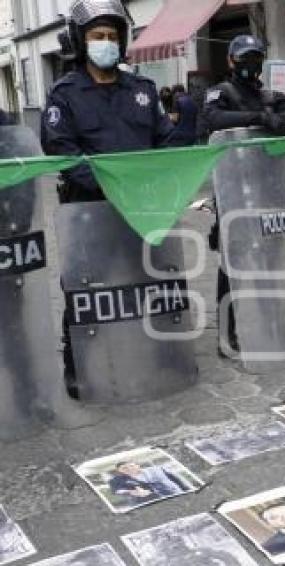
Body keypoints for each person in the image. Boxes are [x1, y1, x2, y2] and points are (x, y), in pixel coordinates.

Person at [41, 0, 175, 394]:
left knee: (146, 278)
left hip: (142, 207)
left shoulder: (143, 90)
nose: (107, 43)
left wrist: (186, 137)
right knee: (84, 288)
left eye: (113, 37)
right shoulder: (65, 95)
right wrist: (111, 183)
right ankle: (78, 364)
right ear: (81, 41)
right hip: (88, 208)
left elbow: (165, 144)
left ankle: (157, 353)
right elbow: (61, 152)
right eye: (98, 36)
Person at [202, 34, 285, 353]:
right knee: (232, 265)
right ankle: (227, 332)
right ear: (231, 61)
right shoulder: (221, 93)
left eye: (255, 57)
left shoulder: (269, 94)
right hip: (234, 192)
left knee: (272, 260)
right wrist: (259, 118)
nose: (251, 64)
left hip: (269, 190)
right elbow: (213, 119)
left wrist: (275, 115)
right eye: (244, 57)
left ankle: (271, 319)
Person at [108, 461, 190, 504]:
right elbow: (117, 491)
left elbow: (177, 479)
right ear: (120, 471)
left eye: (131, 466)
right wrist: (131, 492)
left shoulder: (157, 468)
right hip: (148, 502)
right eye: (124, 468)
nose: (129, 469)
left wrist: (188, 489)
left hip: (175, 494)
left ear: (138, 465)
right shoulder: (116, 480)